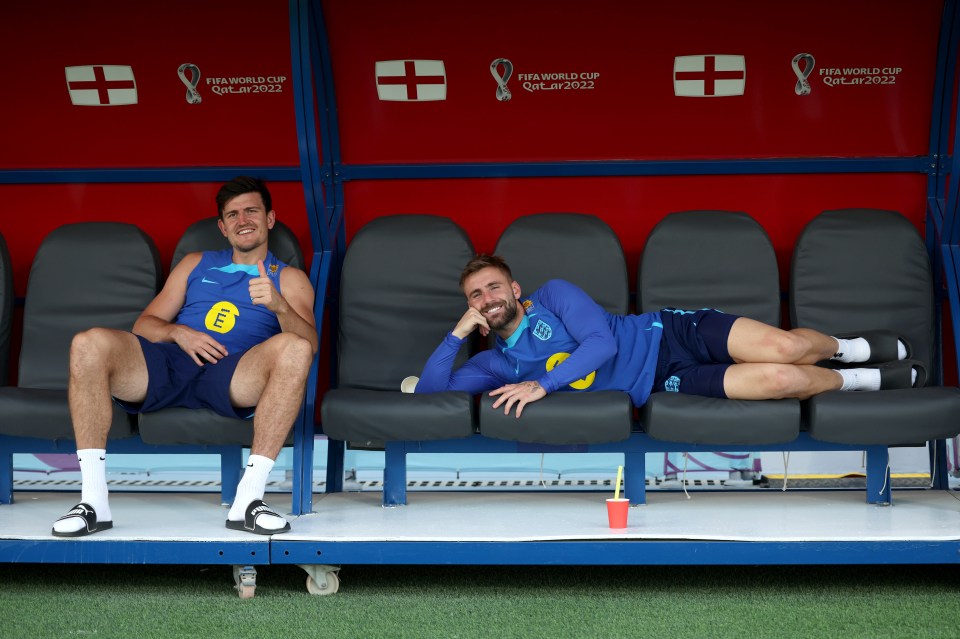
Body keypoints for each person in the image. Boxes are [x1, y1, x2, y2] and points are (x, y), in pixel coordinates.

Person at [52, 176, 317, 537]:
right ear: (223, 227)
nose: (244, 220)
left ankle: (248, 501)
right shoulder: (196, 262)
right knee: (88, 343)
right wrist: (180, 332)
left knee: (296, 348)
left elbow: (310, 345)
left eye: (252, 211)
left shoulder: (289, 278)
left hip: (235, 371)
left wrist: (279, 306)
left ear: (270, 219)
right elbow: (144, 325)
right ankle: (93, 503)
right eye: (233, 215)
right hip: (172, 362)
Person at [416, 254, 922, 418]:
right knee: (778, 378)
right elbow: (434, 394)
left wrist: (543, 386)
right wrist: (455, 335)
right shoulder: (496, 364)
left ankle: (848, 350)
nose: (486, 298)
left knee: (786, 347)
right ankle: (860, 381)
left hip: (672, 332)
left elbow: (603, 346)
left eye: (493, 287)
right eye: (476, 296)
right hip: (661, 381)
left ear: (515, 288)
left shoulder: (553, 294)